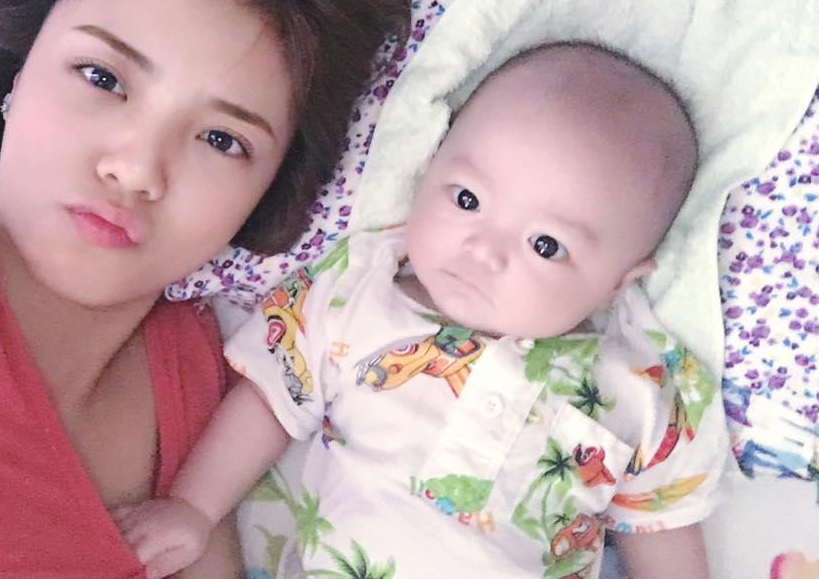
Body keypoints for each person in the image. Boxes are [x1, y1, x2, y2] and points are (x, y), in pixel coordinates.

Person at [0, 0, 421, 577]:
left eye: (222, 140)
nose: (137, 171)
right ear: (17, 73)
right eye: (102, 77)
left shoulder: (208, 393)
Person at [114, 41, 722, 578]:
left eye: (545, 245)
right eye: (467, 199)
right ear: (428, 171)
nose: (483, 249)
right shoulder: (356, 296)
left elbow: (662, 528)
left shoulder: (642, 387)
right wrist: (195, 508)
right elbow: (271, 399)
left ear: (618, 283)